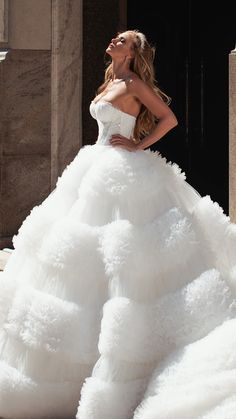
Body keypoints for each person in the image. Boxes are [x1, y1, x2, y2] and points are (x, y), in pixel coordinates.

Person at [0, 28, 236, 419]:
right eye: (114, 38)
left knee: (122, 253)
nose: (113, 41)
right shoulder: (110, 79)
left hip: (121, 171)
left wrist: (138, 145)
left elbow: (168, 118)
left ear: (132, 51)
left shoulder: (134, 83)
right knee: (76, 254)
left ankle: (127, 357)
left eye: (122, 40)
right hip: (92, 166)